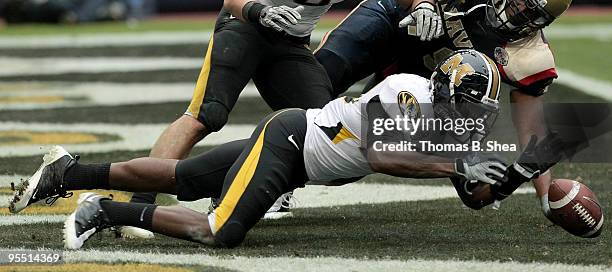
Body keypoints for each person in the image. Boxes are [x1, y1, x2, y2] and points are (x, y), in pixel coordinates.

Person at [126, 0, 448, 226]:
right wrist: (260, 13)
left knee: (327, 135)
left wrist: (424, 8)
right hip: (246, 25)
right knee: (205, 117)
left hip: (291, 42)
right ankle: (137, 204)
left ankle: (236, 182)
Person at [12, 50, 543, 250]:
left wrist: (514, 172)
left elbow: (474, 193)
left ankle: (67, 171)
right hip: (291, 141)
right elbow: (383, 157)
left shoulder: (457, 126)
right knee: (219, 230)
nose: (465, 125)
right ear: (442, 91)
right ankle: (102, 210)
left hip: (297, 159)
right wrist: (458, 162)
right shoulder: (404, 90)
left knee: (185, 178)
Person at [314, 0, 575, 218]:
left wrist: (548, 196)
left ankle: (303, 168)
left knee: (472, 189)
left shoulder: (531, 58)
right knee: (322, 73)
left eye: (531, 10)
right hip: (400, 22)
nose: (516, 9)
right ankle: (285, 156)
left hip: (432, 86)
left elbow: (531, 133)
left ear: (544, 22)